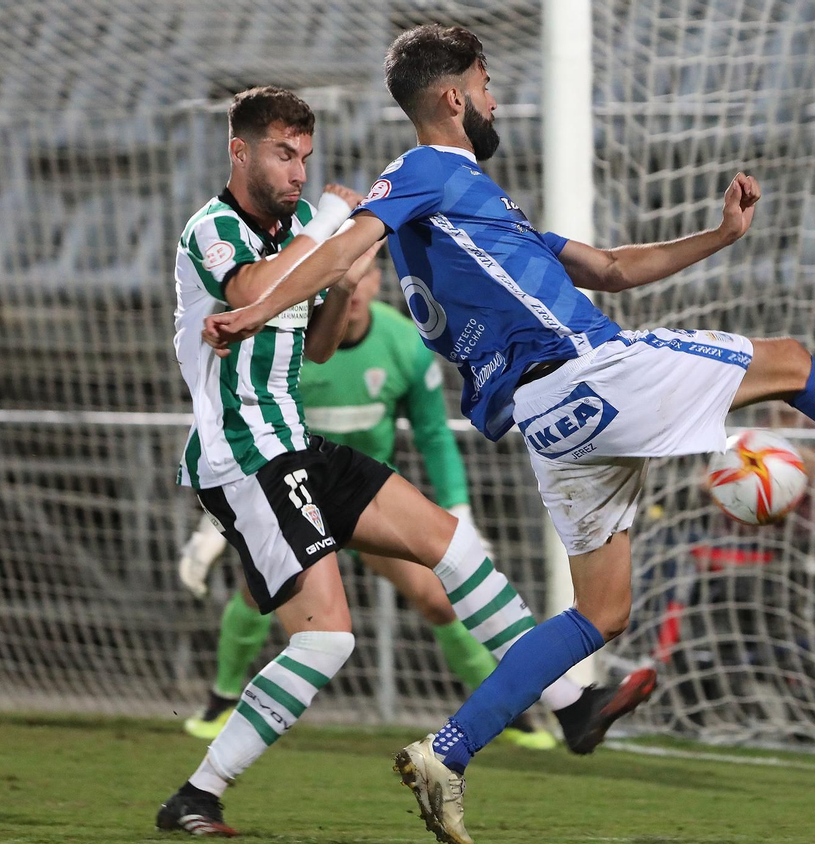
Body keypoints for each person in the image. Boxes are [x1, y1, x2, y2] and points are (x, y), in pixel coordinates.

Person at [199, 28, 815, 844]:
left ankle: (446, 752)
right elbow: (342, 249)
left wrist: (717, 238)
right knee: (791, 363)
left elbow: (610, 267)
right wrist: (256, 310)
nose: (496, 98)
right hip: (589, 374)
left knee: (601, 610)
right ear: (452, 99)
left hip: (551, 423)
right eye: (485, 82)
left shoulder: (463, 219)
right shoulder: (425, 173)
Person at [157, 85, 651, 838]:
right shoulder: (214, 227)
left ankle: (571, 704)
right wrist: (331, 227)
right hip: (245, 453)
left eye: (305, 158)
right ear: (240, 150)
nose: (297, 172)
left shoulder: (294, 229)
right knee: (327, 639)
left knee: (454, 543)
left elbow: (316, 345)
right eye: (283, 155)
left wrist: (344, 285)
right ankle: (198, 793)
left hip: (294, 440)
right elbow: (250, 291)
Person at [175, 269, 654, 752]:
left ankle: (514, 709)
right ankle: (222, 699)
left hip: (360, 493)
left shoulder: (403, 342)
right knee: (265, 599)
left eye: (361, 272)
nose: (354, 287)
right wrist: (213, 524)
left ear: (376, 277)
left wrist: (459, 507)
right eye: (342, 273)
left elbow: (432, 434)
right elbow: (244, 429)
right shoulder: (286, 345)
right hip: (285, 489)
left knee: (440, 594)